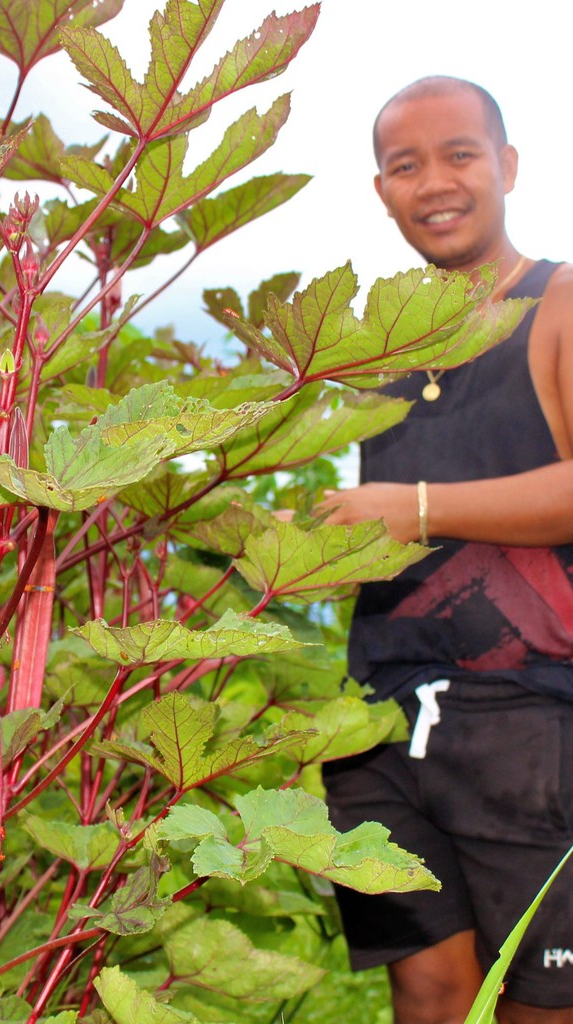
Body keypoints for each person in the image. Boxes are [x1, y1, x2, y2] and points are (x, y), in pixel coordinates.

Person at [317, 76, 573, 1024]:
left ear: (505, 167)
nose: (435, 182)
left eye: (460, 154)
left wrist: (414, 506)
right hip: (381, 722)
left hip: (534, 711)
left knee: (543, 999)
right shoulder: (377, 351)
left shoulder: (558, 302)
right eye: (404, 165)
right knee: (425, 988)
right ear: (381, 190)